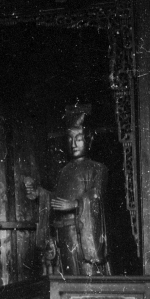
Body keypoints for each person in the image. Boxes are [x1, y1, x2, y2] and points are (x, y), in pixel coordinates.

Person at [25, 105, 110, 276]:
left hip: (83, 234)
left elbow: (96, 196)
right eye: (70, 139)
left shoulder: (97, 169)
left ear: (88, 139)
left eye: (78, 139)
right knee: (68, 278)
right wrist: (40, 194)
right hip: (63, 234)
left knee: (87, 276)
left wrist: (75, 204)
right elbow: (56, 200)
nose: (73, 144)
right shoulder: (64, 171)